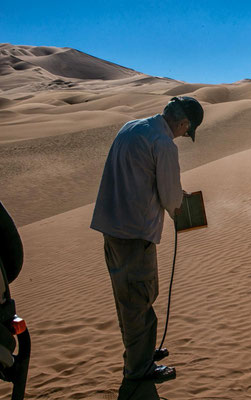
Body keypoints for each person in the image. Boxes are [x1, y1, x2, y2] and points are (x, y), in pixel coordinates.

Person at [91, 96, 204, 383]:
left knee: (128, 299)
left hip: (113, 229)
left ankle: (140, 354)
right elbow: (171, 198)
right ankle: (139, 370)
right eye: (186, 131)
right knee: (139, 300)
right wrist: (182, 204)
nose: (183, 136)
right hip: (134, 234)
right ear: (182, 123)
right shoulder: (162, 143)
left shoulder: (131, 127)